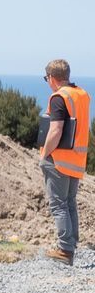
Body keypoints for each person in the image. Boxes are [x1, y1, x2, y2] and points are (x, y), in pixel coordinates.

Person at [40, 59, 90, 265]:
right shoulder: (82, 94)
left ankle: (65, 250)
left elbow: (56, 130)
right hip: (77, 159)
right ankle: (70, 245)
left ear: (52, 78)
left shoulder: (59, 97)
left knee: (59, 205)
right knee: (69, 203)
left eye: (46, 78)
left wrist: (45, 154)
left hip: (59, 160)